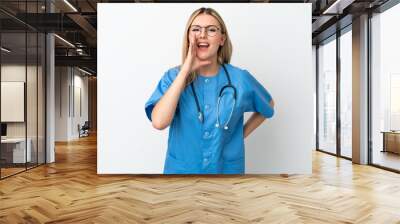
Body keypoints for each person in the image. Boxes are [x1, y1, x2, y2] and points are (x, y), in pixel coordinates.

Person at [145, 7, 275, 174]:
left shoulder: (239, 79)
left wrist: (240, 136)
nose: (202, 35)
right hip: (181, 173)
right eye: (196, 29)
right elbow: (159, 122)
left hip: (226, 172)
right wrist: (185, 71)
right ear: (188, 37)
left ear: (222, 39)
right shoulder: (173, 77)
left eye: (211, 30)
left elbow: (268, 106)